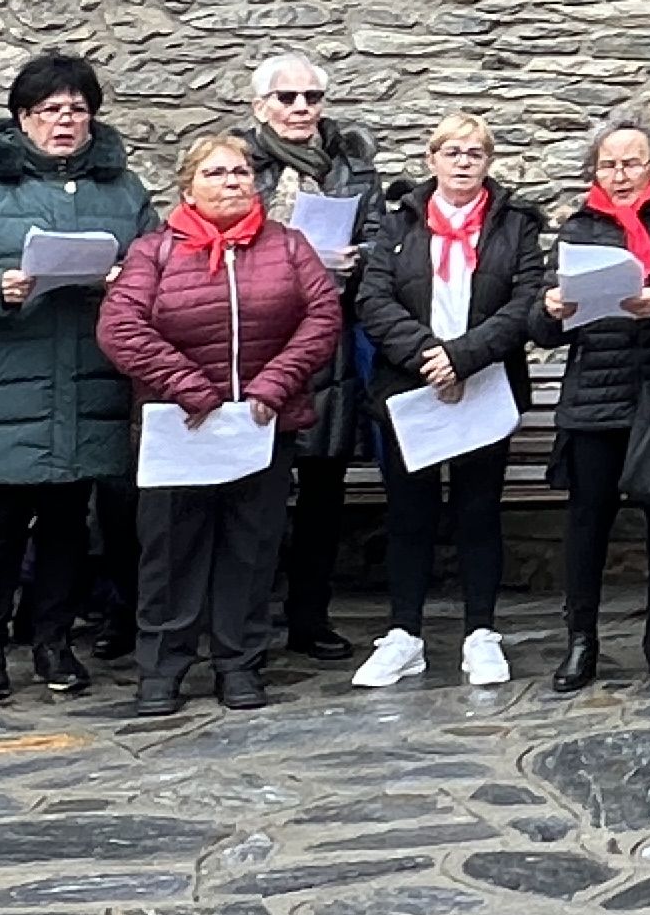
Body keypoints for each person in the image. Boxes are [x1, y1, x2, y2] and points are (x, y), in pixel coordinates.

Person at [0, 54, 154, 705]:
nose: (65, 121)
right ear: (22, 119)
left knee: (69, 523)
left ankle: (54, 641)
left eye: (77, 109)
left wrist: (123, 279)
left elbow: (157, 264)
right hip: (7, 382)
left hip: (89, 377)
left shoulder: (123, 189)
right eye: (50, 110)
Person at [97, 129, 344, 715]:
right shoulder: (154, 252)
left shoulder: (287, 246)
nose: (231, 182)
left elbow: (323, 316)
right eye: (215, 173)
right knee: (170, 552)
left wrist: (273, 385)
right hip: (180, 428)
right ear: (187, 187)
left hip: (260, 426)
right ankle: (164, 667)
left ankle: (239, 664)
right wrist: (189, 389)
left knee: (250, 550)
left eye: (239, 172)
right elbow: (119, 328)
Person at [351, 115, 545, 690]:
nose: (464, 162)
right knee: (409, 513)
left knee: (478, 511)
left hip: (483, 384)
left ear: (489, 162)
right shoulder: (397, 225)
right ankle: (404, 633)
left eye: (476, 153)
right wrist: (429, 357)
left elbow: (526, 302)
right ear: (431, 159)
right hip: (412, 388)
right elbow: (374, 298)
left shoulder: (516, 227)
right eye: (453, 152)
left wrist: (465, 356)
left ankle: (480, 632)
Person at [534, 117, 650, 697]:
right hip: (594, 397)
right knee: (588, 522)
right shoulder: (577, 228)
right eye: (609, 165)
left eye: (632, 163)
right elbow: (538, 323)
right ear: (595, 171)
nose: (620, 175)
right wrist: (554, 309)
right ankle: (580, 638)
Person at [239, 52, 381, 664]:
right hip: (257, 342)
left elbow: (380, 238)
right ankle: (244, 619)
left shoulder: (352, 163)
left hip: (330, 340)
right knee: (252, 489)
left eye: (311, 98)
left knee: (324, 490)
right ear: (260, 106)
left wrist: (356, 259)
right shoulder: (239, 163)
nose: (301, 108)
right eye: (287, 97)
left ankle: (309, 616)